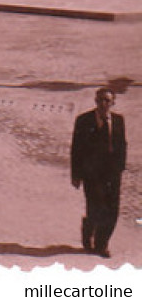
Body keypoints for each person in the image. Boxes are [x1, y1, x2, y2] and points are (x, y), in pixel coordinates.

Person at [71, 87, 126, 257]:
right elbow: (76, 148)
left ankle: (102, 244)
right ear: (95, 101)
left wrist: (120, 167)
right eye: (100, 100)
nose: (103, 104)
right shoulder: (84, 120)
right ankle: (88, 233)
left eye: (107, 100)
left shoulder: (118, 120)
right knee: (95, 208)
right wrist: (76, 175)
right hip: (92, 174)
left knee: (112, 210)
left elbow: (122, 145)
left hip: (112, 174)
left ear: (113, 103)